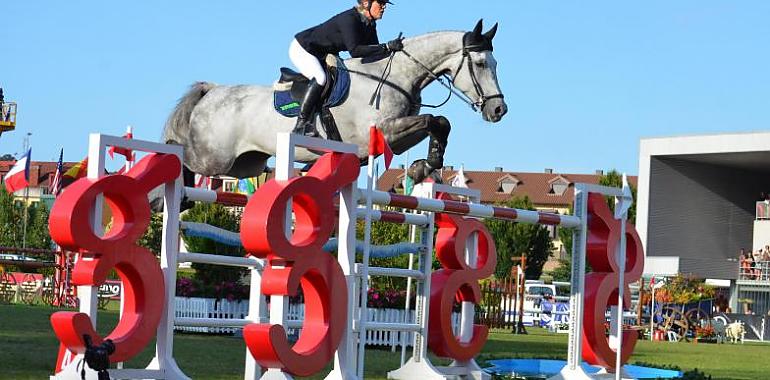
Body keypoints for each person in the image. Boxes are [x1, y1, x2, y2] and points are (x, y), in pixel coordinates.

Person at [289, 0, 404, 137]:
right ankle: (301, 125)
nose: (384, 7)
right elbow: (355, 51)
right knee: (321, 78)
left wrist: (392, 50)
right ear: (367, 3)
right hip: (304, 49)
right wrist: (386, 47)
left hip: (322, 54)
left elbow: (373, 53)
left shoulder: (369, 24)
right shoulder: (350, 19)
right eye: (380, 3)